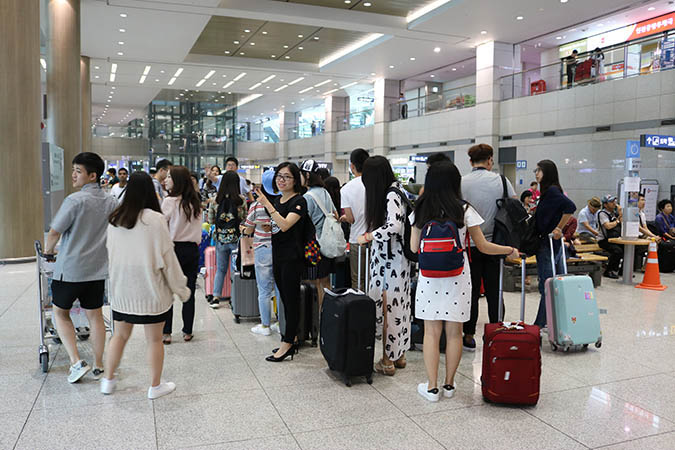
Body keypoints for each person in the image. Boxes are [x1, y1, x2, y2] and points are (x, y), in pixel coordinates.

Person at [410, 161, 518, 402]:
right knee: (455, 332)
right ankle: (449, 385)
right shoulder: (464, 209)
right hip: (458, 276)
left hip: (429, 278)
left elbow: (414, 248)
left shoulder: (421, 209)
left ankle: (432, 388)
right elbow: (483, 246)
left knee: (431, 332)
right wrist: (509, 249)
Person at [102, 172, 190, 399]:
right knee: (154, 339)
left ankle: (108, 381)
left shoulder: (114, 219)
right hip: (151, 291)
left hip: (122, 291)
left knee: (119, 336)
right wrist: (181, 288)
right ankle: (155, 386)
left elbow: (110, 255)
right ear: (151, 192)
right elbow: (167, 258)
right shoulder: (155, 219)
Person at [44, 152, 118, 384]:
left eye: (78, 171)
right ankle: (98, 364)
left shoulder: (74, 200)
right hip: (97, 270)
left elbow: (55, 231)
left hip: (70, 270)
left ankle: (76, 362)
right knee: (95, 315)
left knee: (60, 312)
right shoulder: (111, 201)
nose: (74, 175)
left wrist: (48, 251)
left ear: (92, 175)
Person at [357, 156, 412, 376]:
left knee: (388, 308)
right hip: (395, 260)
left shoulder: (390, 194)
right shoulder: (398, 189)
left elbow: (394, 226)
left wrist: (369, 236)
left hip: (389, 263)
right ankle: (399, 356)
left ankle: (387, 360)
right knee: (399, 308)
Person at [460, 143, 515, 352]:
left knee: (471, 291)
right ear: (490, 160)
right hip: (495, 244)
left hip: (469, 245)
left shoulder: (462, 182)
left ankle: (468, 335)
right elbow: (514, 205)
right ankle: (497, 330)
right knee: (495, 290)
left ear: (471, 162)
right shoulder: (502, 180)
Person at [254, 162, 308, 363]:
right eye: (279, 176)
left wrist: (268, 207)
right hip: (277, 255)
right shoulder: (277, 200)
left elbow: (285, 225)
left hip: (292, 258)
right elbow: (277, 225)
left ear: (295, 180)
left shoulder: (299, 201)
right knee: (284, 299)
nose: (281, 180)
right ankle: (291, 338)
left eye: (286, 177)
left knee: (291, 301)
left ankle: (287, 343)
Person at [161, 166, 202, 344]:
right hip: (192, 249)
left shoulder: (169, 201)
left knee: (167, 291)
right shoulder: (195, 201)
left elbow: (162, 227)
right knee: (189, 291)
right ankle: (187, 331)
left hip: (173, 249)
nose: (165, 180)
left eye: (169, 177)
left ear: (177, 181)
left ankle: (167, 332)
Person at [533, 160, 576, 329]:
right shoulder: (548, 191)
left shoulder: (551, 190)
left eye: (539, 170)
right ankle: (550, 320)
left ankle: (540, 323)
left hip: (548, 244)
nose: (536, 173)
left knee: (547, 285)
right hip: (551, 243)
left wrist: (559, 227)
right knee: (551, 284)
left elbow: (570, 207)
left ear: (547, 173)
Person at [243, 169, 281, 336]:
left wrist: (243, 228)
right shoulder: (283, 203)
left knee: (264, 289)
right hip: (280, 248)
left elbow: (248, 228)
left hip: (262, 249)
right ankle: (280, 322)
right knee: (280, 288)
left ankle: (265, 325)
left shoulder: (257, 205)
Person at [301, 159, 338, 312]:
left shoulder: (308, 197)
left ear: (307, 175)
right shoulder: (325, 193)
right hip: (328, 243)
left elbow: (301, 221)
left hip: (313, 245)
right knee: (325, 281)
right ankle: (329, 314)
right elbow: (335, 214)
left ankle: (318, 316)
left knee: (315, 283)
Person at [207, 171, 246, 308]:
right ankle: (234, 298)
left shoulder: (214, 200)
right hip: (236, 239)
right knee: (235, 270)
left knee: (221, 269)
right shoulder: (241, 200)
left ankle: (216, 297)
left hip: (221, 239)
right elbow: (245, 220)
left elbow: (211, 220)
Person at [340, 148, 369, 291]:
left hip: (356, 240)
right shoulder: (374, 184)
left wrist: (344, 218)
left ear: (352, 166)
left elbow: (351, 218)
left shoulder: (346, 189)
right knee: (373, 279)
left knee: (357, 280)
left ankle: (359, 311)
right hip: (374, 239)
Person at [597, 195, 623, 279]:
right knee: (617, 250)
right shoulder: (602, 213)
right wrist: (618, 220)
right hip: (604, 240)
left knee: (628, 248)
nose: (614, 204)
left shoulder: (614, 214)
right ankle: (609, 271)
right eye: (611, 202)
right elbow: (608, 226)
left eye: (614, 201)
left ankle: (622, 270)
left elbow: (622, 223)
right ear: (605, 205)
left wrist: (620, 214)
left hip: (615, 239)